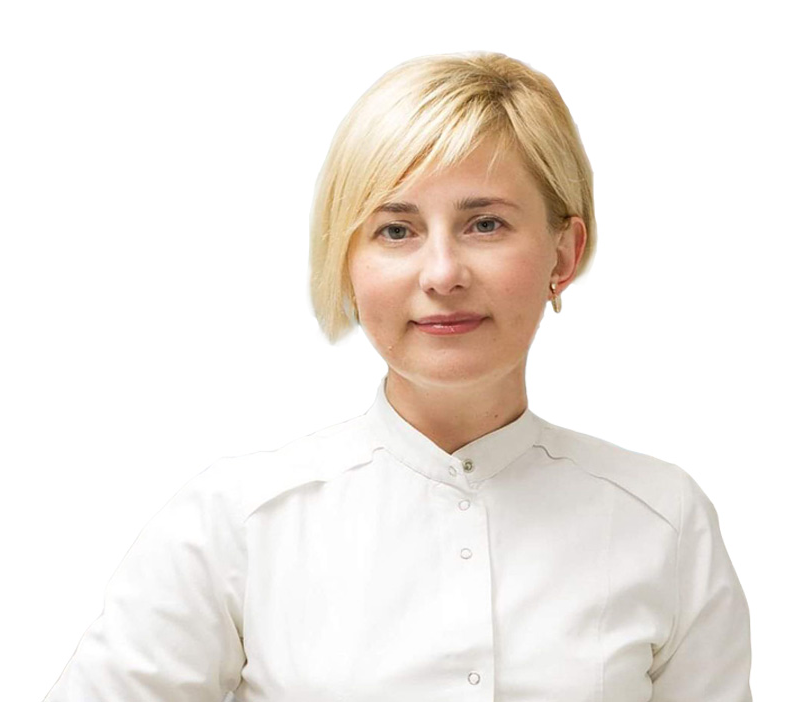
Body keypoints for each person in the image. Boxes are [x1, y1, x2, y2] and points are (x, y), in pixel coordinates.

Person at [41, 51, 752, 701]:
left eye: (485, 224)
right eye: (396, 230)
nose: (442, 274)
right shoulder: (239, 522)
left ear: (563, 254)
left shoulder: (663, 521)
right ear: (346, 262)